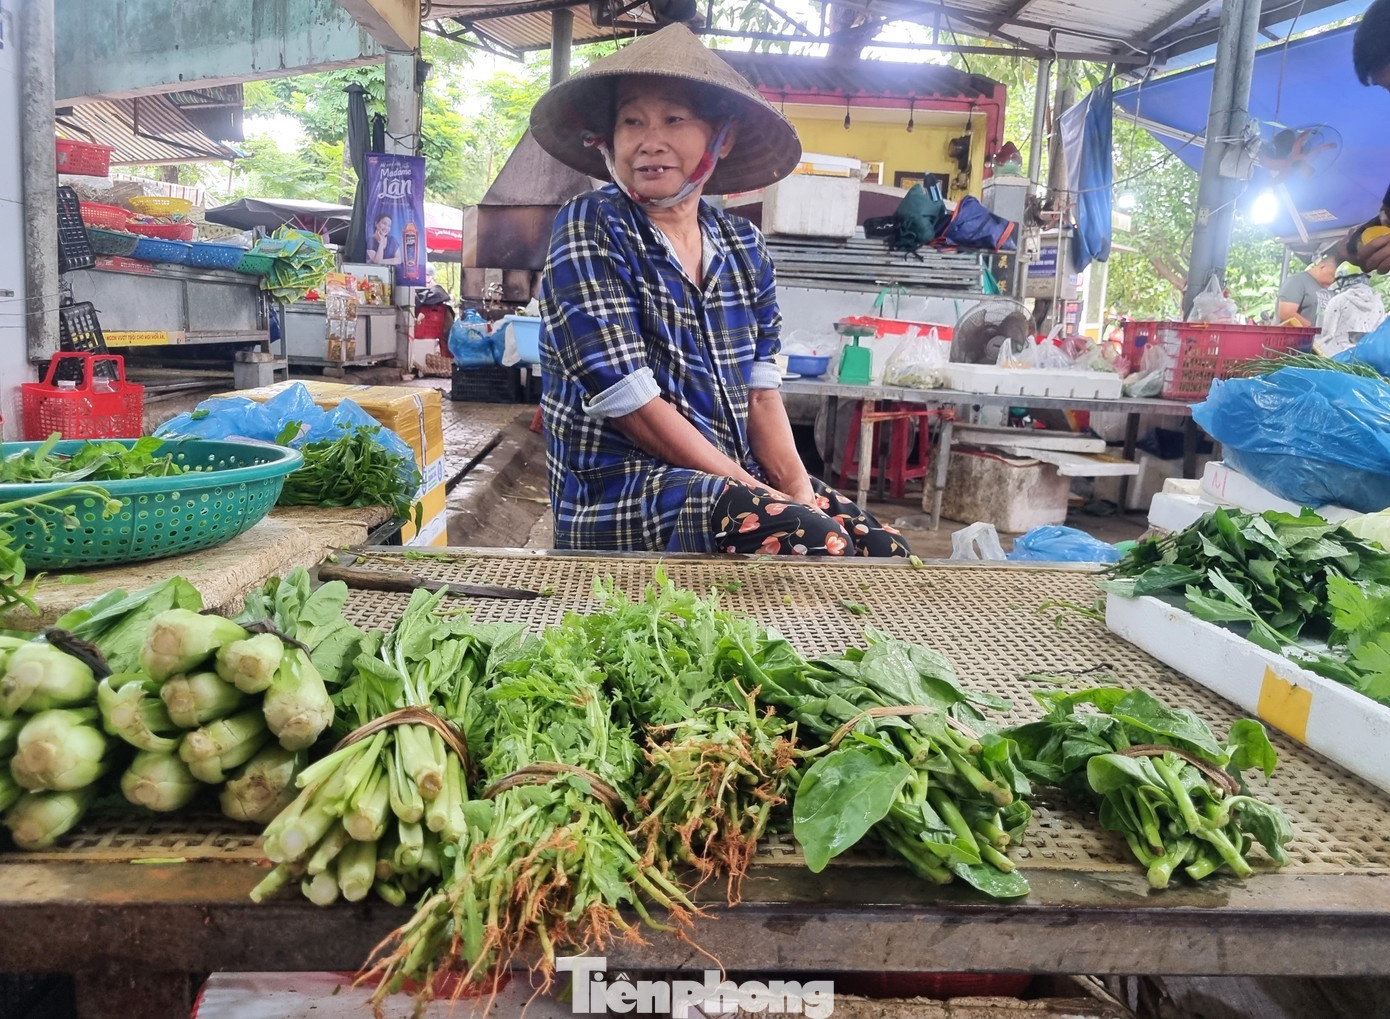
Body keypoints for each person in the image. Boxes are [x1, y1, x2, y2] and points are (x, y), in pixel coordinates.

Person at [529, 25, 910, 558]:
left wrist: (797, 488)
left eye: (674, 119)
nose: (649, 141)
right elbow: (632, 403)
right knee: (812, 538)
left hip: (724, 481)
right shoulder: (592, 224)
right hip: (620, 493)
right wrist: (761, 493)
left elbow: (761, 393)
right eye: (631, 121)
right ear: (609, 141)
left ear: (721, 138)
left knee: (884, 546)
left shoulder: (743, 244)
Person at [1275, 246, 1336, 327]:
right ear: (1322, 267)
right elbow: (1286, 313)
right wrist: (1313, 329)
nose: (1333, 281)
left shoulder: (1329, 288)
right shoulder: (1297, 281)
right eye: (1332, 276)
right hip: (1300, 338)